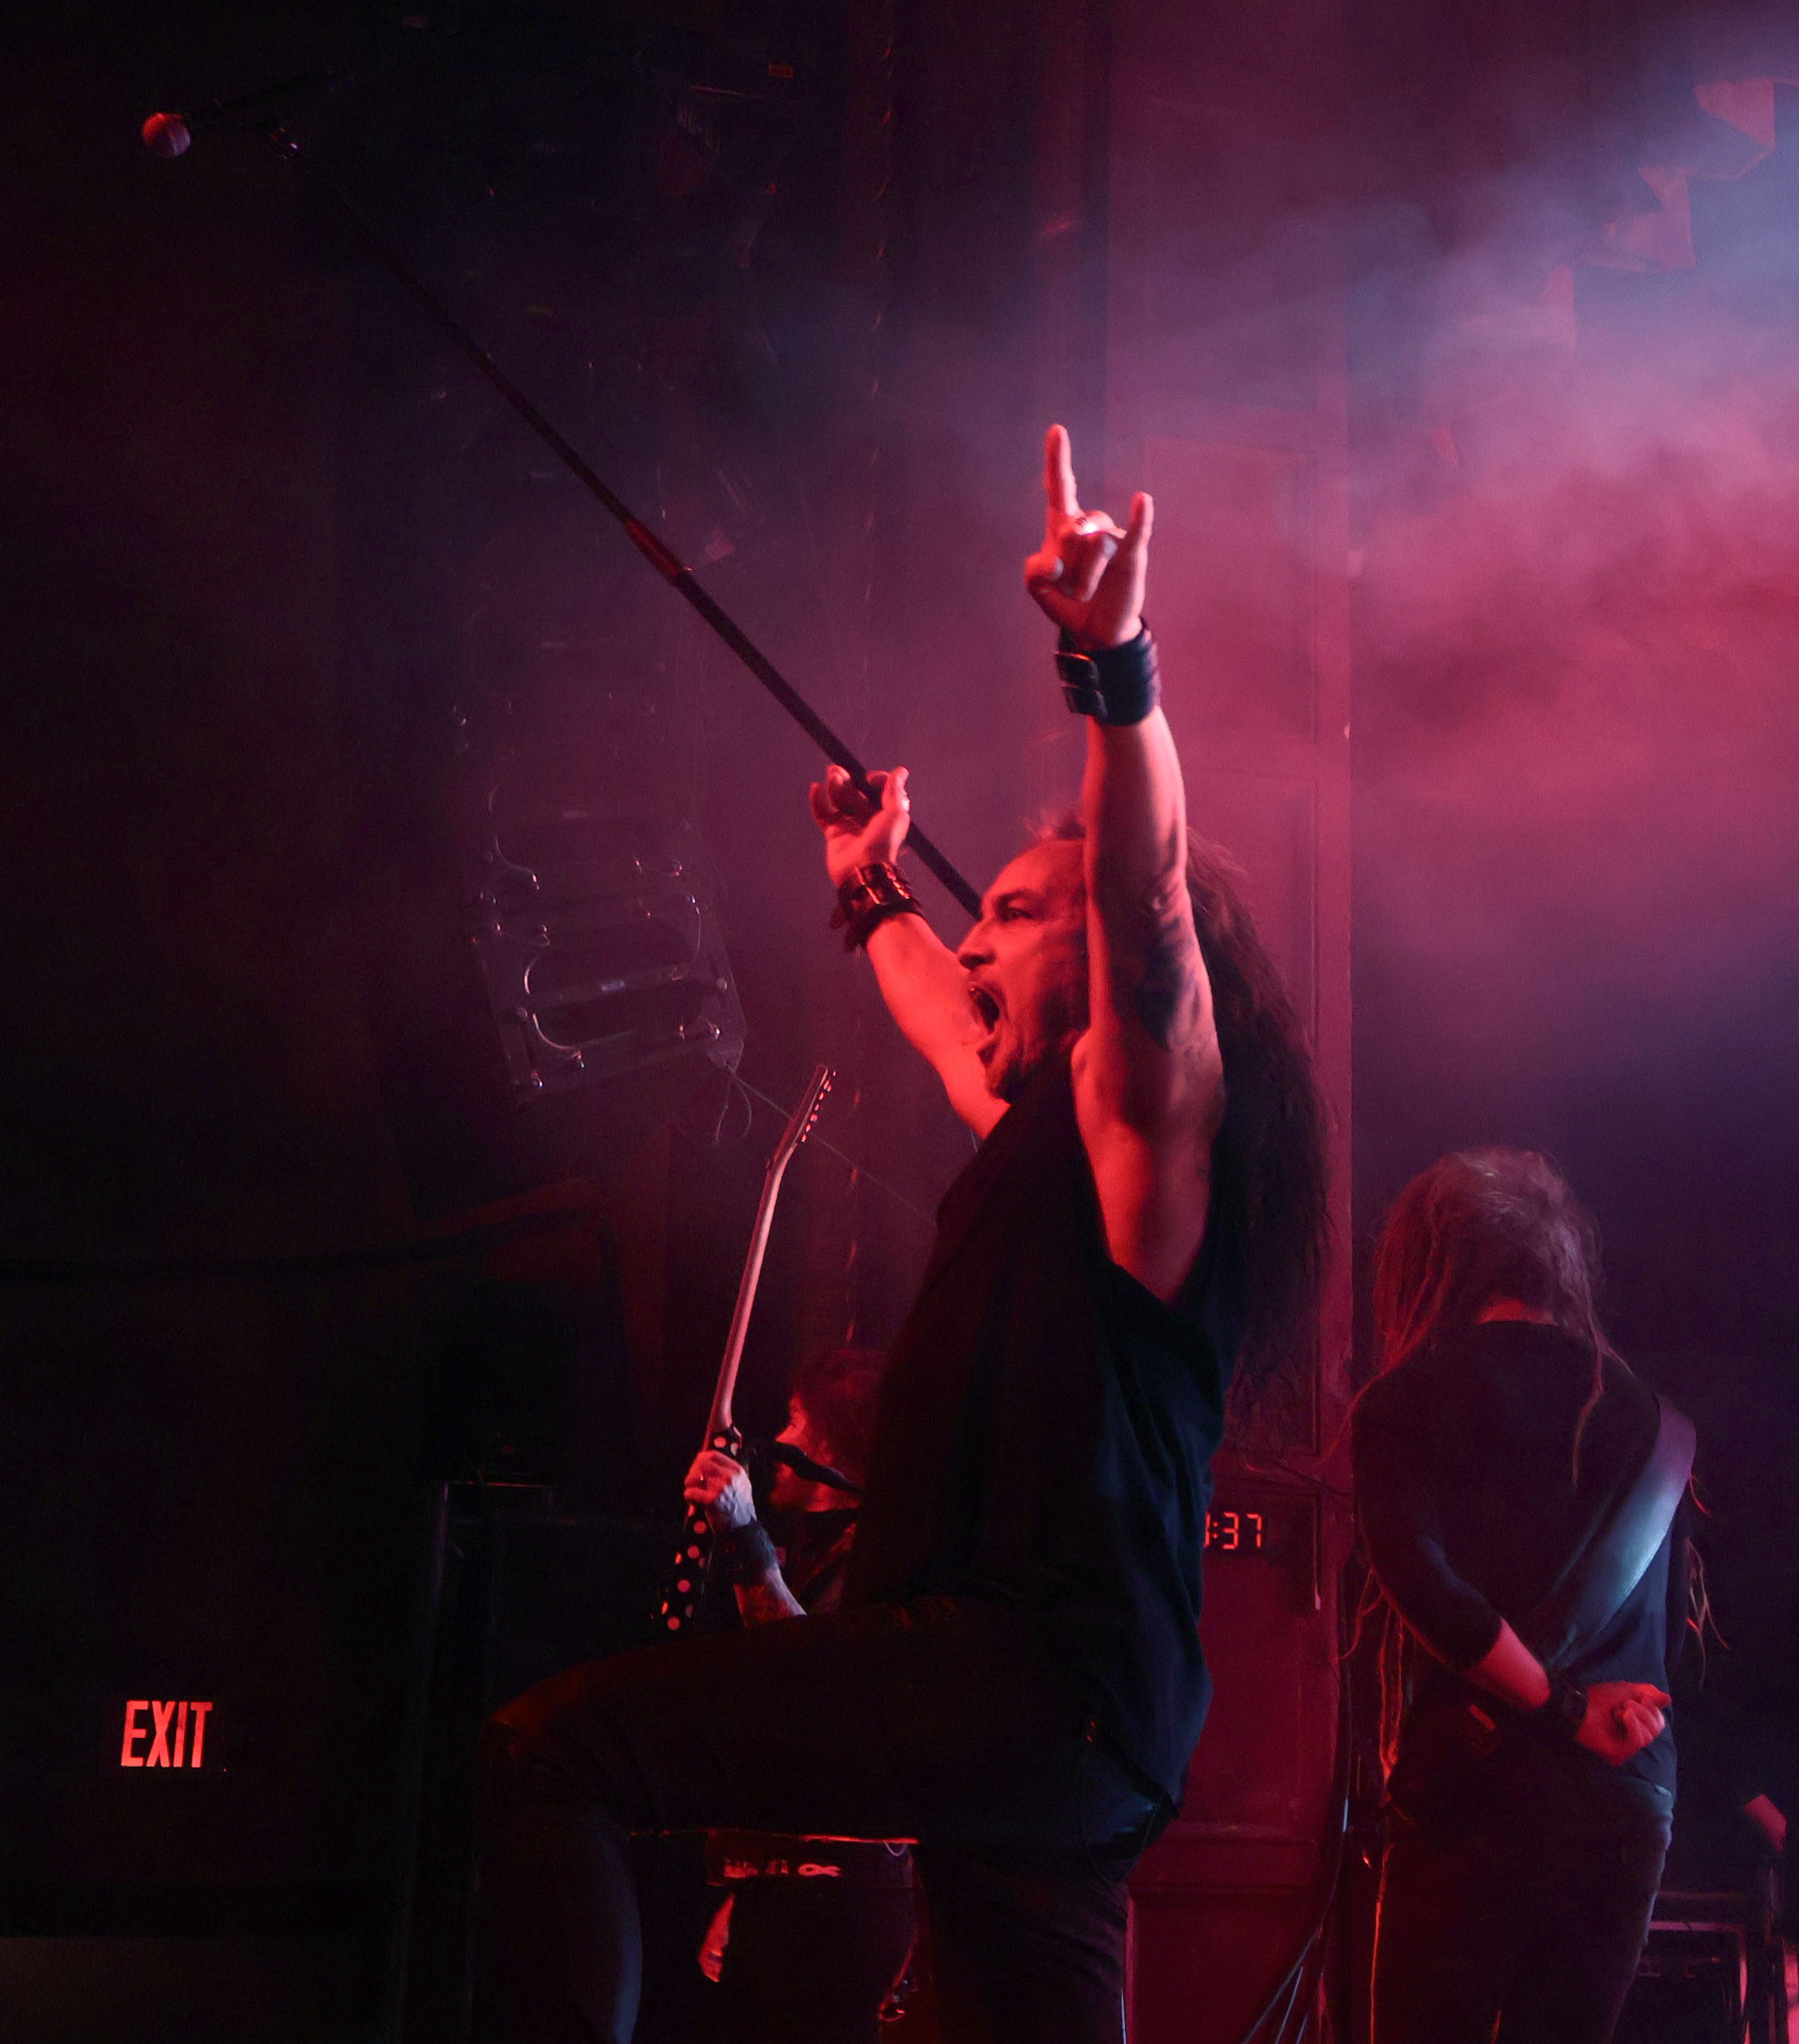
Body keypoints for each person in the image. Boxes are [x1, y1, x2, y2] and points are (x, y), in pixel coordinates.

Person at [479, 424, 1334, 2043]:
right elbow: (948, 1016)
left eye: (1008, 912)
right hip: (1065, 1729)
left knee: (552, 1751)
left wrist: (1116, 669)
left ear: (1103, 961)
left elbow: (1148, 901)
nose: (973, 941)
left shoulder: (1146, 1132)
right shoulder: (1033, 1129)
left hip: (1021, 1675)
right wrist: (868, 890)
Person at [1350, 1149, 1690, 2044]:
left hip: (1474, 1787)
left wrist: (1558, 1705)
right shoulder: (1652, 1421)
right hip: (1621, 1789)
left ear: (1431, 1265)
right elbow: (1671, 1649)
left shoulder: (1403, 1402)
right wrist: (1594, 1713)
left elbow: (1425, 1588)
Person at [674, 1348, 915, 2044]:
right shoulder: (815, 1549)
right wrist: (750, 1885)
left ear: (831, 1443)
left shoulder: (879, 1559)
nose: (778, 1439)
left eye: (795, 1419)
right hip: (791, 1888)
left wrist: (744, 1536)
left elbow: (807, 1678)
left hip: (839, 1898)